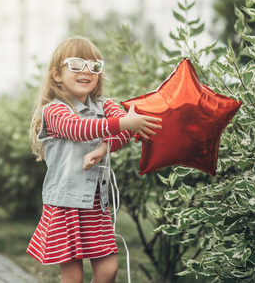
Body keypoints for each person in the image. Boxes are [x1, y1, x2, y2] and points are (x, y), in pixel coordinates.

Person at [27, 36, 162, 283]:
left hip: (95, 204)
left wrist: (103, 148)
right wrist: (123, 122)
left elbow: (126, 132)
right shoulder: (54, 110)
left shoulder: (105, 105)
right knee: (73, 277)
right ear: (57, 75)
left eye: (94, 66)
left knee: (108, 271)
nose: (86, 71)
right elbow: (78, 129)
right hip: (65, 204)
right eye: (77, 64)